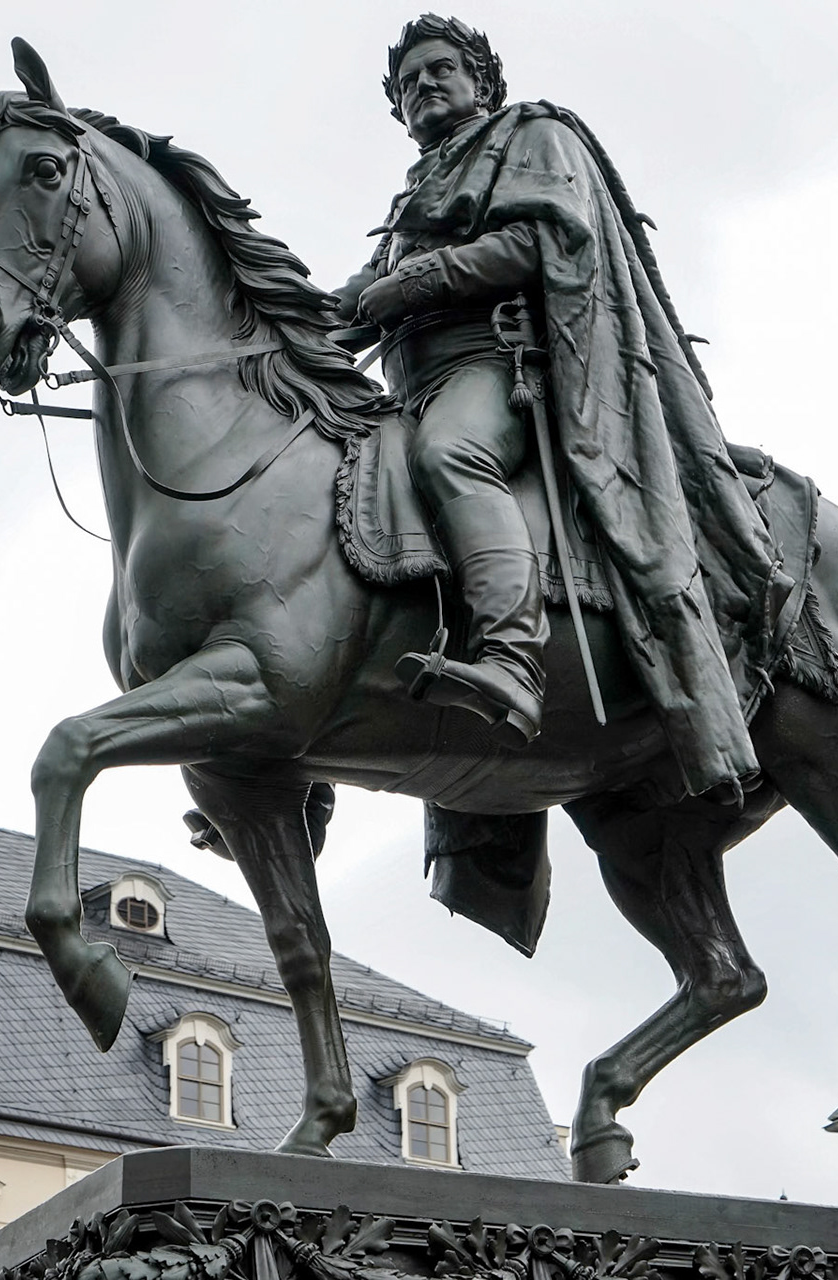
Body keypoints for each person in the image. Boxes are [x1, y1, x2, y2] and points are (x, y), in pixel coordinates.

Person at [336, 14, 793, 801]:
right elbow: (359, 295)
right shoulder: (413, 191)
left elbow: (545, 245)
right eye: (408, 84)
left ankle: (511, 658)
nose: (425, 88)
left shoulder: (534, 135)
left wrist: (415, 283)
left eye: (440, 69)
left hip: (500, 368)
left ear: (481, 77)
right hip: (409, 383)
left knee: (452, 455)